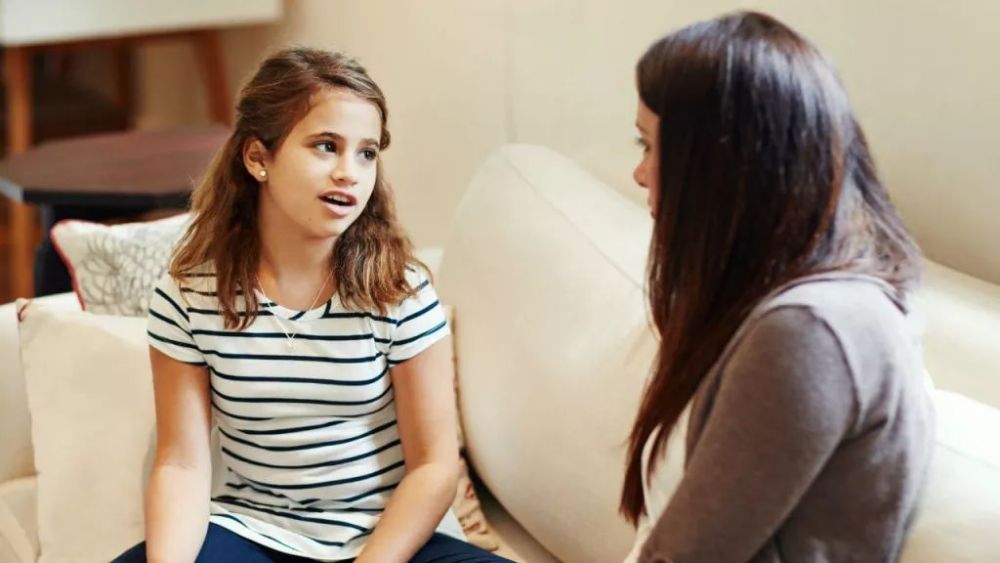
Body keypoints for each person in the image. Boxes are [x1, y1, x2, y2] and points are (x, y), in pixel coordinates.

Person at [114, 47, 508, 563]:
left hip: (391, 541)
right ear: (258, 158)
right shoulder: (189, 294)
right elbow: (182, 464)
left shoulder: (401, 291)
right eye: (327, 146)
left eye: (366, 153)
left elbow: (434, 467)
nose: (350, 172)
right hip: (253, 534)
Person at [623, 12, 934, 562]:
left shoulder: (811, 333)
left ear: (721, 164)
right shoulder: (776, 298)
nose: (640, 173)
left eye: (649, 146)